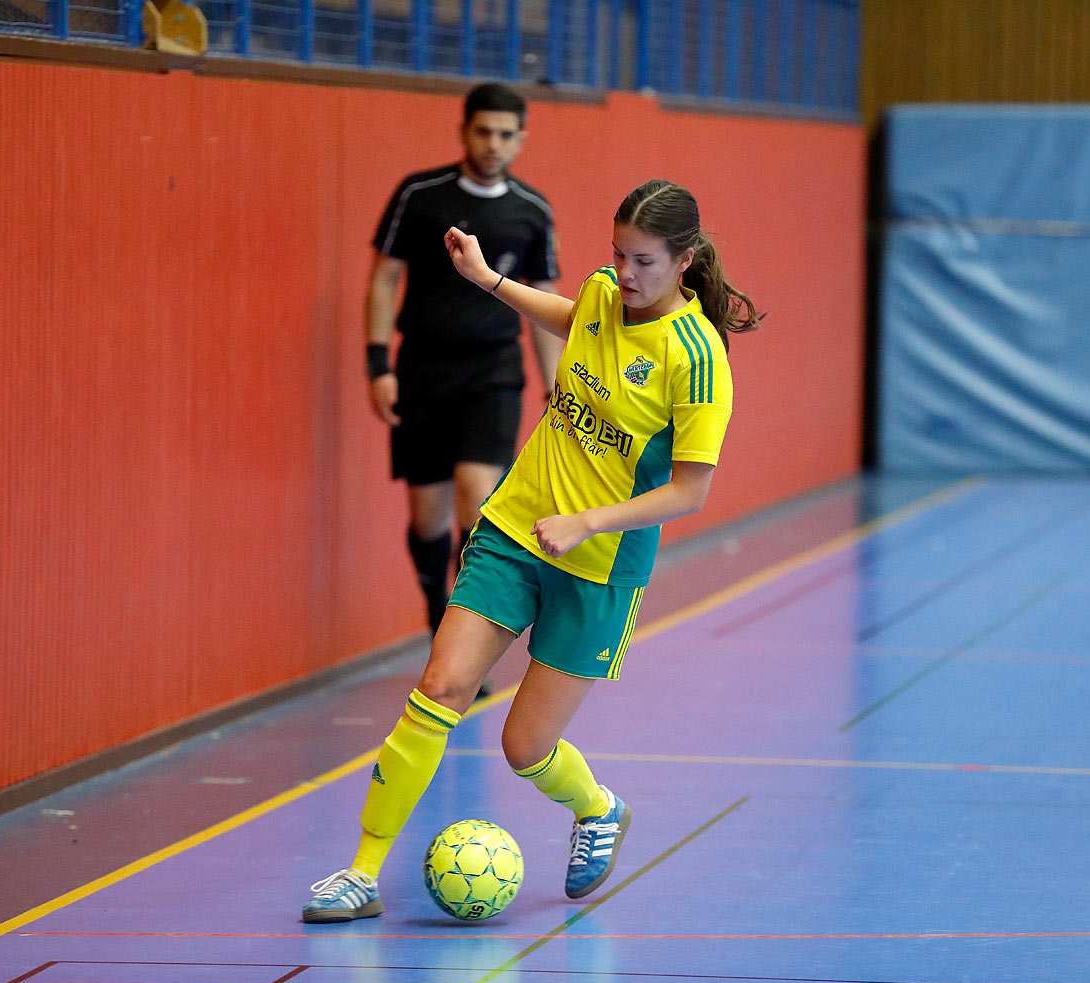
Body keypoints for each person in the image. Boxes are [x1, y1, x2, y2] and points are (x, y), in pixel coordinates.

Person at [302, 179, 762, 922]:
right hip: (517, 529)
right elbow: (575, 317)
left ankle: (599, 808)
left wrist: (589, 522)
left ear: (686, 261)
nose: (625, 273)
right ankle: (361, 872)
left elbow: (690, 492)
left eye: (644, 261)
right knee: (441, 688)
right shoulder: (605, 296)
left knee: (525, 744)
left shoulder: (697, 358)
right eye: (617, 254)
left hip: (598, 566)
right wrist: (488, 281)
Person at [366, 82, 562, 648]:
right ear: (464, 131)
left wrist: (556, 388)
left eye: (506, 134)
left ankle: (460, 638)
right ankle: (436, 608)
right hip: (423, 369)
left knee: (477, 501)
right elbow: (383, 277)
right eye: (483, 131)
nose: (493, 144)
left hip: (494, 372)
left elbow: (545, 300)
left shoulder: (532, 211)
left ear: (521, 139)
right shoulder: (420, 194)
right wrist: (379, 365)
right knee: (429, 517)